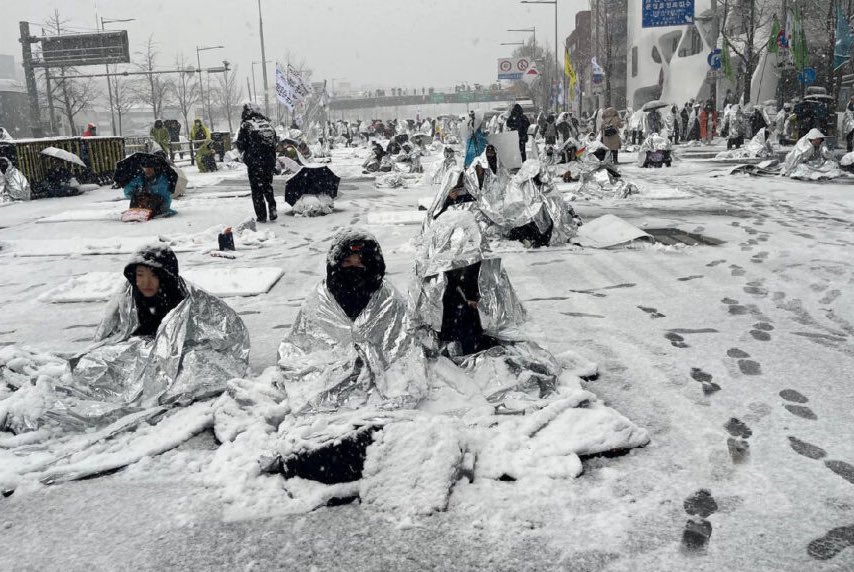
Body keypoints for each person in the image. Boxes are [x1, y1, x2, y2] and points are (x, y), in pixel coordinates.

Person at [277, 229, 426, 414]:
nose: (354, 268)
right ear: (336, 264)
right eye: (347, 262)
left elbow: (403, 339)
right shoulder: (321, 298)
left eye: (360, 263)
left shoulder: (388, 296)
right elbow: (303, 342)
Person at [236, 102, 278, 223]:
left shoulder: (246, 125)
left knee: (257, 189)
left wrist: (246, 156)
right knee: (267, 186)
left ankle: (262, 215)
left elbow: (240, 144)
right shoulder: (267, 124)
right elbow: (274, 142)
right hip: (269, 161)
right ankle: (272, 207)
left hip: (255, 162)